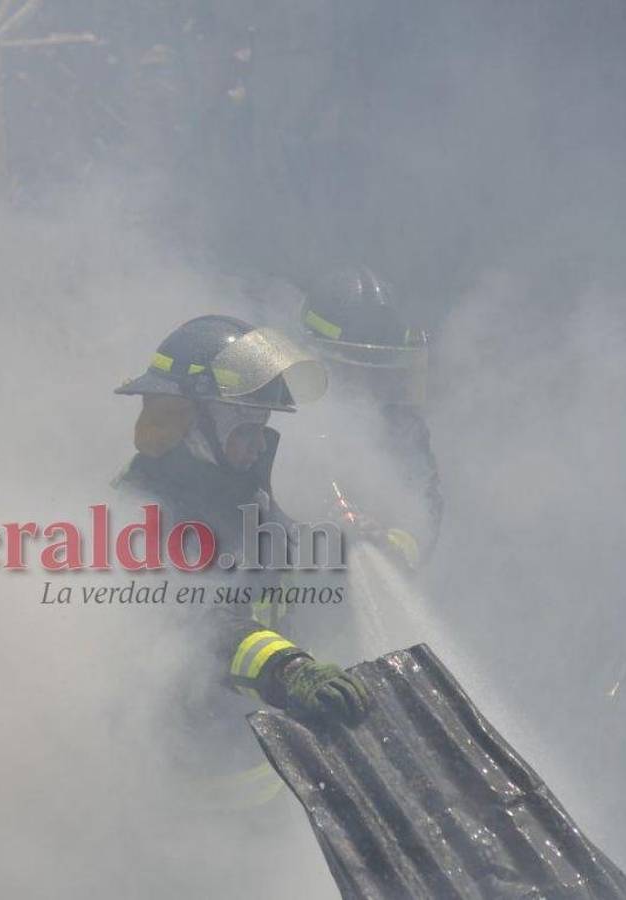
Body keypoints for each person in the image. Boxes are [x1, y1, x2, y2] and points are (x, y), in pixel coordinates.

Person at [113, 314, 369, 808]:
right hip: (194, 784)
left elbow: (282, 553)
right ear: (191, 422)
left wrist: (343, 552)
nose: (258, 443)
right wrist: (289, 669)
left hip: (266, 758)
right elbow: (196, 622)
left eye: (263, 426)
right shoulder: (146, 510)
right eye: (246, 427)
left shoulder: (235, 486)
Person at [297, 265, 444, 571]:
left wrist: (394, 545)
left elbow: (425, 506)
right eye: (354, 368)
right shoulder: (282, 418)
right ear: (319, 360)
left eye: (381, 368)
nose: (371, 383)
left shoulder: (403, 425)